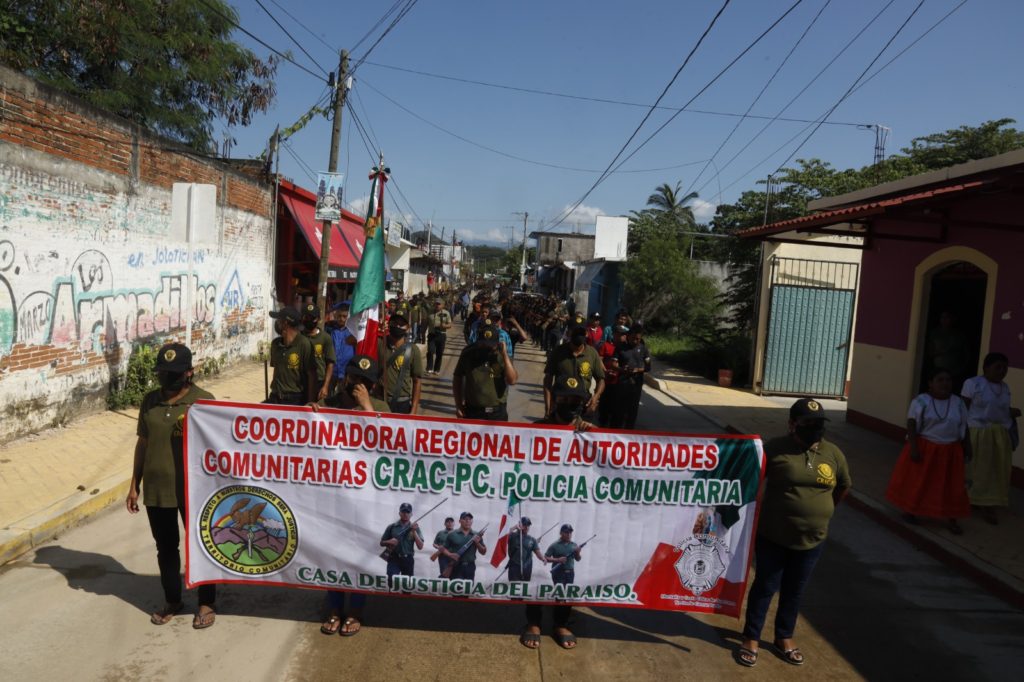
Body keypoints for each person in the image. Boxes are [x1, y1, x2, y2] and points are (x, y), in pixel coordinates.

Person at [738, 398, 851, 668]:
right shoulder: (774, 449)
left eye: (819, 424)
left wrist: (822, 511)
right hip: (773, 536)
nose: (815, 429)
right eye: (808, 423)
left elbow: (843, 486)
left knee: (794, 590)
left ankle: (784, 637)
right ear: (792, 424)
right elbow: (748, 479)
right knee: (765, 586)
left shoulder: (833, 453)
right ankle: (751, 638)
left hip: (813, 540)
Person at [126, 343, 217, 629]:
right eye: (163, 372)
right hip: (157, 490)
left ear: (189, 373)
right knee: (166, 548)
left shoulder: (204, 401)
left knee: (201, 545)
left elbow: (219, 446)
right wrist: (134, 485)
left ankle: (206, 602)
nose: (167, 378)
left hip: (194, 491)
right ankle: (173, 599)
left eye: (173, 373)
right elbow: (143, 443)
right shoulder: (150, 401)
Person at [311, 354, 388, 636]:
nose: (357, 385)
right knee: (333, 551)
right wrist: (310, 413)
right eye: (354, 379)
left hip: (365, 497)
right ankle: (333, 607)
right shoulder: (331, 403)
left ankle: (355, 609)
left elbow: (390, 443)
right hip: (333, 493)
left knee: (359, 554)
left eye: (364, 382)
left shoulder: (380, 407)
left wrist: (366, 406)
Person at [520, 377, 593, 650]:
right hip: (540, 510)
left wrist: (593, 433)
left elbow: (610, 457)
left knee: (568, 575)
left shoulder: (588, 434)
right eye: (564, 399)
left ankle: (562, 622)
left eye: (576, 401)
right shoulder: (537, 429)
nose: (570, 405)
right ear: (554, 400)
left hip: (572, 510)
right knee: (538, 576)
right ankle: (534, 621)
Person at [886, 368, 972, 533]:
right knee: (921, 482)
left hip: (951, 451)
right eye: (940, 380)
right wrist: (913, 447)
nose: (945, 383)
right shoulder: (921, 401)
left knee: (952, 486)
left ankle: (952, 518)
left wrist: (968, 446)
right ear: (931, 383)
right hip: (927, 448)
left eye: (948, 380)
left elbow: (964, 425)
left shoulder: (958, 403)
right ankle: (911, 511)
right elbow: (911, 424)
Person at [961, 352, 1020, 524]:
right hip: (977, 432)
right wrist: (961, 434)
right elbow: (963, 409)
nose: (1002, 371)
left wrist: (1012, 413)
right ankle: (970, 499)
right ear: (986, 368)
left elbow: (1001, 411)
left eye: (1005, 368)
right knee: (975, 469)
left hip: (999, 435)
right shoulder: (973, 384)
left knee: (994, 470)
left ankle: (987, 503)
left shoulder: (1005, 387)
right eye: (997, 367)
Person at [453, 320, 518, 421]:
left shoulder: (502, 356)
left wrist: (505, 355)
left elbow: (512, 380)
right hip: (473, 411)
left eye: (491, 345)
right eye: (484, 344)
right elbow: (457, 378)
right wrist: (458, 405)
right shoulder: (468, 353)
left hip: (497, 413)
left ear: (497, 343)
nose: (487, 348)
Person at [543, 325, 605, 419]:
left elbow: (601, 379)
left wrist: (596, 396)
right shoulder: (558, 352)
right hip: (561, 403)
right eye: (576, 333)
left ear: (586, 334)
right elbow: (548, 380)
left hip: (583, 405)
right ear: (569, 333)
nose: (578, 336)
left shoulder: (592, 353)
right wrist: (548, 406)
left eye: (581, 333)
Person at [266, 306, 317, 405]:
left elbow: (312, 375)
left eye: (278, 320)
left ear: (285, 323)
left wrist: (310, 402)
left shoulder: (304, 344)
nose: (276, 324)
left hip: (294, 400)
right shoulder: (275, 344)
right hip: (275, 396)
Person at [377, 314, 424, 414]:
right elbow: (355, 340)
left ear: (407, 328)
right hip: (380, 401)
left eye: (401, 324)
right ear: (388, 325)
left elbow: (417, 381)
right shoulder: (380, 343)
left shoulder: (413, 350)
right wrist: (376, 330)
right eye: (394, 323)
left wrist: (414, 409)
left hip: (402, 403)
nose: (397, 327)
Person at [613, 326, 651, 429]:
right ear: (628, 336)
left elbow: (648, 367)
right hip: (622, 384)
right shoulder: (620, 347)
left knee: (633, 410)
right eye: (633, 338)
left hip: (636, 384)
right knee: (619, 409)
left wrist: (637, 370)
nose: (635, 341)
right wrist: (622, 369)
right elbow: (613, 364)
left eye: (638, 339)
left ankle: (629, 431)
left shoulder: (644, 349)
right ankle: (616, 430)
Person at [380, 503, 425, 584]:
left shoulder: (415, 527)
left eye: (408, 512)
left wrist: (414, 531)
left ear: (411, 514)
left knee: (407, 584)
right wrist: (389, 541)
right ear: (399, 513)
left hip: (408, 559)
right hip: (394, 558)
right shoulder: (392, 527)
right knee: (392, 580)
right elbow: (382, 542)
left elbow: (420, 546)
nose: (405, 514)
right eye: (403, 512)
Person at [301, 303, 336, 402]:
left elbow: (330, 363)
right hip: (302, 381)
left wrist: (325, 386)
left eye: (312, 318)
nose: (309, 321)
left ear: (318, 319)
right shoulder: (299, 337)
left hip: (319, 381)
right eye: (306, 317)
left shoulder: (325, 338)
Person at [442, 511, 487, 580]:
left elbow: (483, 552)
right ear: (460, 521)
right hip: (456, 566)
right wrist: (450, 555)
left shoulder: (476, 535)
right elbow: (442, 549)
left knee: (468, 589)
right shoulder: (452, 534)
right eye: (465, 519)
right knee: (455, 589)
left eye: (470, 519)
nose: (467, 521)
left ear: (472, 521)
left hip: (470, 566)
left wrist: (477, 543)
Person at [597, 326, 626, 427]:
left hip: (620, 382)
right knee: (604, 405)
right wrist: (605, 371)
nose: (622, 337)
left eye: (624, 334)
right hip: (607, 380)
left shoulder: (626, 349)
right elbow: (599, 359)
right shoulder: (606, 345)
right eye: (620, 334)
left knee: (617, 407)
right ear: (614, 334)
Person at [326, 302, 355, 396]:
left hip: (347, 372)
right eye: (339, 316)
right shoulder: (330, 330)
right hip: (332, 372)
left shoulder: (354, 332)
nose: (341, 319)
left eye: (344, 316)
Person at [507, 517, 546, 583]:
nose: (527, 527)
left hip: (527, 566)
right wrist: (515, 527)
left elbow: (537, 552)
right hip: (514, 565)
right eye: (525, 525)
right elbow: (503, 537)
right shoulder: (512, 536)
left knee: (524, 587)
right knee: (513, 586)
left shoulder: (532, 539)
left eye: (528, 525)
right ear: (520, 524)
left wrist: (543, 559)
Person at [425, 298, 453, 375]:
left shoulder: (446, 313)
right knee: (430, 351)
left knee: (439, 353)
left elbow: (450, 325)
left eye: (439, 304)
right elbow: (426, 323)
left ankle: (437, 369)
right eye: (436, 303)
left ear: (443, 305)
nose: (437, 305)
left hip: (441, 335)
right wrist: (423, 333)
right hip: (432, 335)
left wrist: (444, 325)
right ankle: (429, 368)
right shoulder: (430, 312)